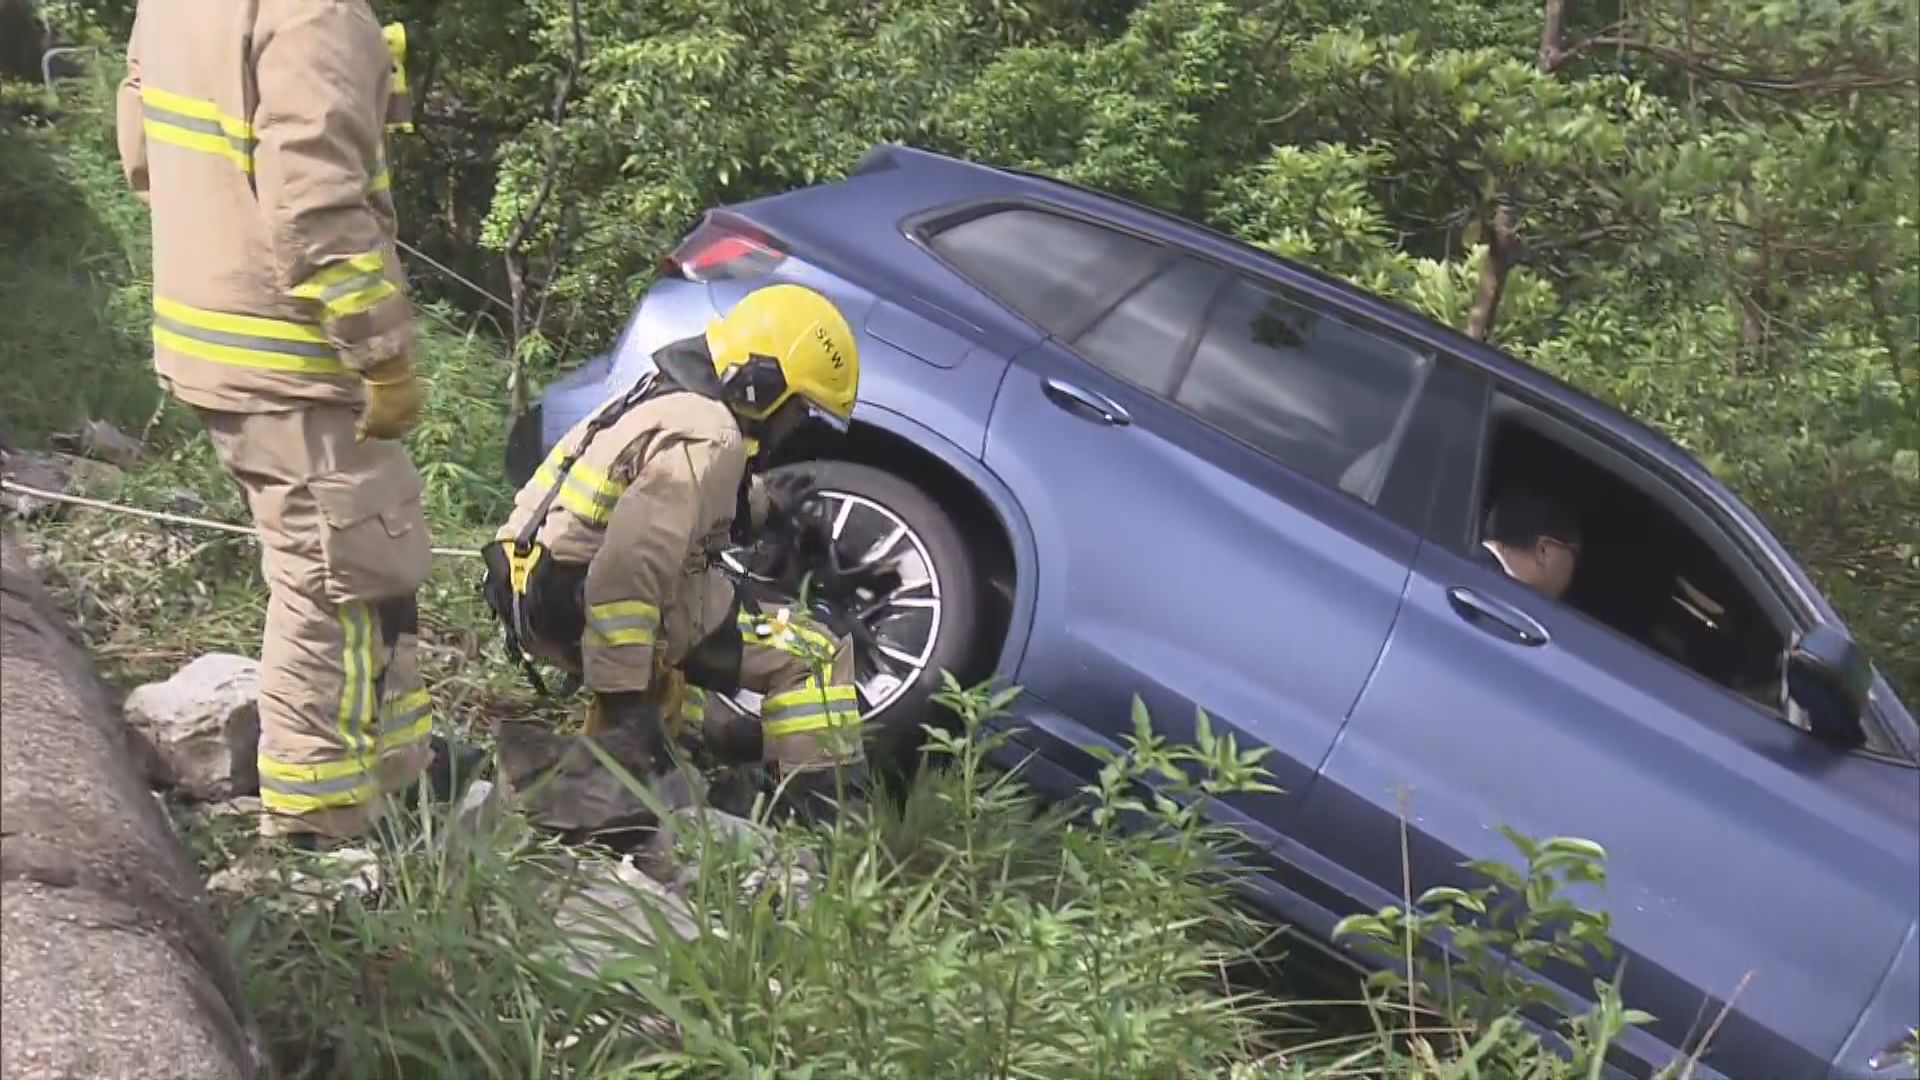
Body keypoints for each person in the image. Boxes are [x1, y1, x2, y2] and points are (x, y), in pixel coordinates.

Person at [117, 0, 439, 847]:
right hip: (290, 355)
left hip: (210, 335)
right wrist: (384, 353)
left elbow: (141, 150)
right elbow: (317, 207)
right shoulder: (314, 12)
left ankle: (400, 774)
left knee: (370, 557)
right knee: (336, 579)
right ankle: (317, 821)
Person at [483, 282, 867, 828]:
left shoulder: (664, 397)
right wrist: (624, 708)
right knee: (816, 650)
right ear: (763, 384)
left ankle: (685, 760)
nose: (798, 425)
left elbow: (670, 501)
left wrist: (768, 510)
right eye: (801, 408)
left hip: (531, 584)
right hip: (583, 599)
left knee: (693, 641)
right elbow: (629, 571)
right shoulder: (711, 438)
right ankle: (817, 822)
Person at [1478, 487, 1582, 600]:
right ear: (1543, 551)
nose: (1573, 570)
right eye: (1574, 552)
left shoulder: (1468, 584)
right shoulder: (1516, 609)